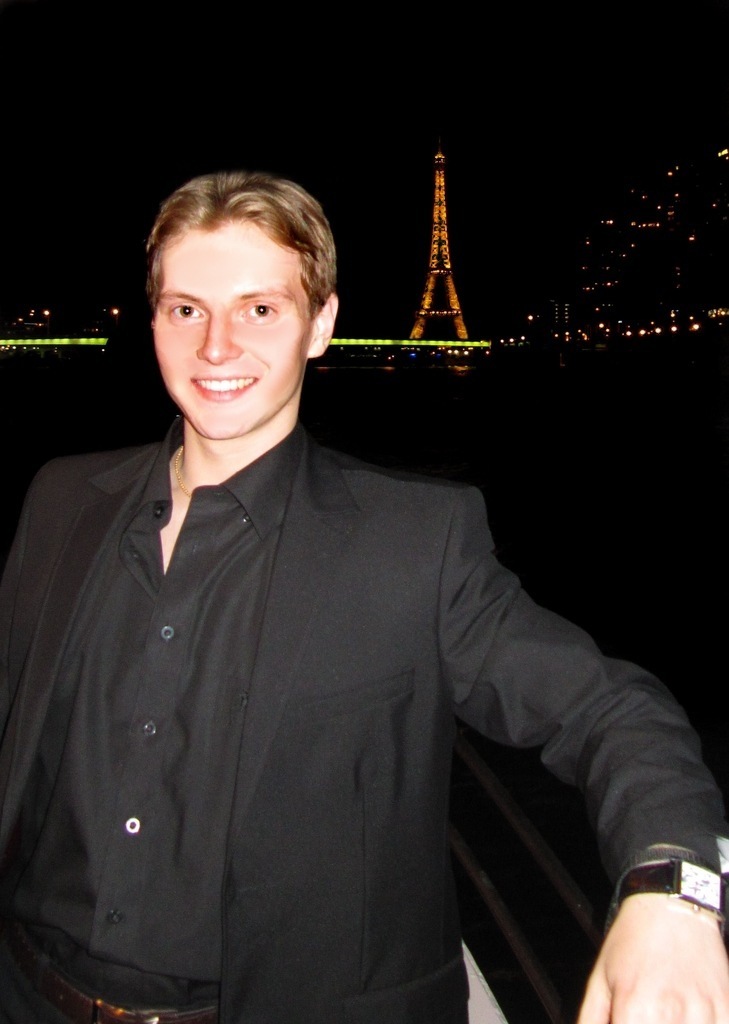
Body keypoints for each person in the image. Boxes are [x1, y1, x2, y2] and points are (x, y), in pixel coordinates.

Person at [0, 168, 728, 1024]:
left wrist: (672, 891)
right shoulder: (61, 502)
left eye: (259, 309)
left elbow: (609, 711)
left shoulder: (414, 544)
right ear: (153, 319)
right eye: (186, 309)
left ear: (321, 324)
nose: (216, 347)